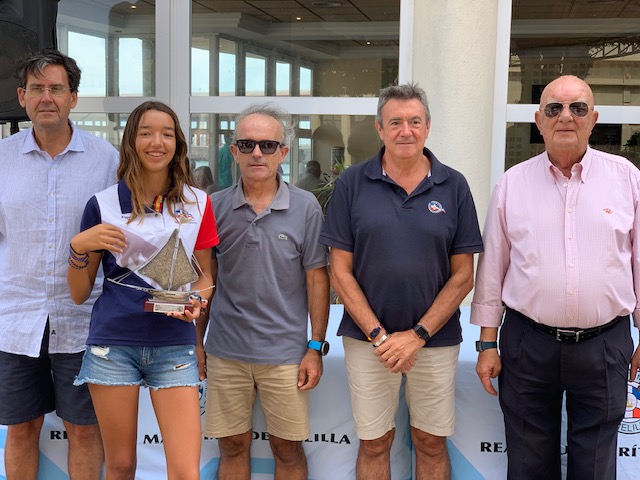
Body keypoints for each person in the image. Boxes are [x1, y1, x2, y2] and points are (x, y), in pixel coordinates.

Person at [471, 75, 640, 479]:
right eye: (554, 108)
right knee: (527, 462)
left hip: (604, 345)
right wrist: (487, 344)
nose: (566, 116)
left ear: (593, 119)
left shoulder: (627, 179)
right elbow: (493, 269)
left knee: (595, 465)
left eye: (577, 108)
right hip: (528, 344)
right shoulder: (512, 183)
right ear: (539, 120)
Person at [320, 83, 484, 480]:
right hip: (367, 341)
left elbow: (464, 275)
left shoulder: (454, 185)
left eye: (414, 121)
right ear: (380, 128)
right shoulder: (352, 184)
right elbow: (339, 271)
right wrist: (380, 336)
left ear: (428, 126)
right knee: (374, 442)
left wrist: (417, 335)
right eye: (395, 122)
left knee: (430, 442)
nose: (405, 131)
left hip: (435, 340)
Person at [67, 101, 219, 479]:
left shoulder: (198, 203)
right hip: (113, 345)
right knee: (120, 466)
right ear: (131, 142)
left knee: (186, 471)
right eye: (146, 133)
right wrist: (78, 248)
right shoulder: (102, 205)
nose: (156, 142)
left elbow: (205, 276)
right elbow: (78, 293)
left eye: (166, 134)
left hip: (174, 345)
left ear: (177, 143)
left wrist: (198, 302)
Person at [0, 48, 119, 480]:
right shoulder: (1, 158)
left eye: (56, 88)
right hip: (14, 319)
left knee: (84, 430)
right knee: (21, 428)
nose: (46, 97)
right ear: (22, 96)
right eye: (37, 89)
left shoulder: (107, 160)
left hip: (83, 319)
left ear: (73, 97)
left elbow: (120, 240)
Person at [198, 102, 330, 480]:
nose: (257, 153)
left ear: (283, 153)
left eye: (268, 145)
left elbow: (317, 280)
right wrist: (197, 342)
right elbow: (206, 279)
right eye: (247, 144)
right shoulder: (214, 206)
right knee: (232, 446)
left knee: (287, 449)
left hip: (286, 353)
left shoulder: (306, 207)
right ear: (234, 151)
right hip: (225, 351)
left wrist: (315, 346)